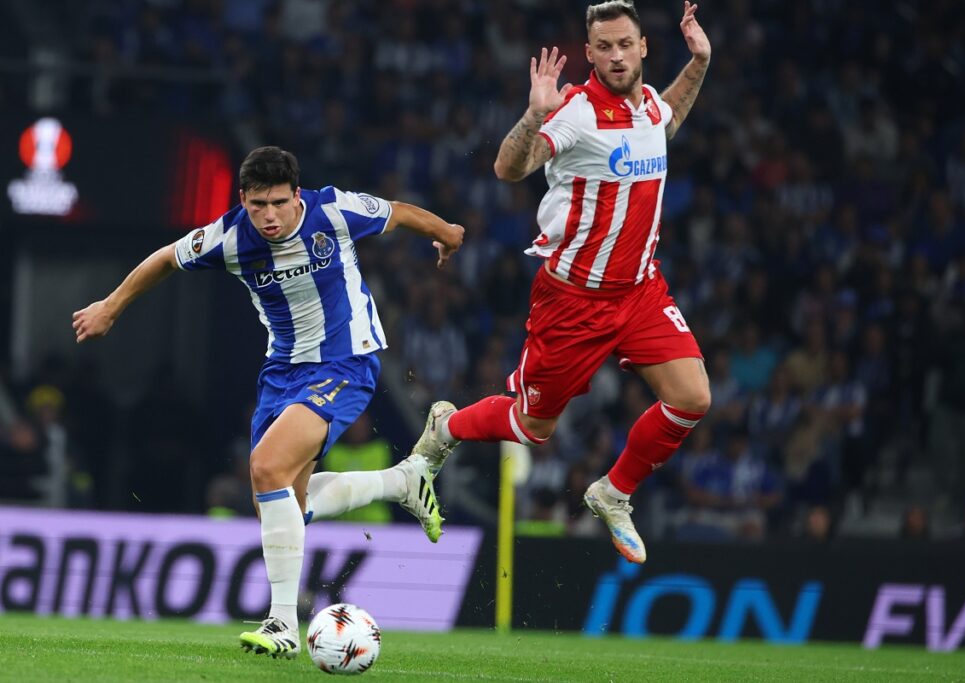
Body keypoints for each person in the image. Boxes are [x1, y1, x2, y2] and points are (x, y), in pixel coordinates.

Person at [72, 146, 463, 659]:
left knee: (265, 465)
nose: (270, 216)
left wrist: (446, 231)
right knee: (278, 505)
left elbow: (399, 211)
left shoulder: (332, 211)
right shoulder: (230, 236)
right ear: (244, 200)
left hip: (345, 362)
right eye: (259, 205)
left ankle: (282, 623)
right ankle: (403, 481)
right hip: (282, 372)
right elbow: (166, 258)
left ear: (296, 196)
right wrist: (111, 305)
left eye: (279, 202)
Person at [411, 0, 712, 564]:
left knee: (693, 397)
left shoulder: (647, 105)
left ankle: (613, 493)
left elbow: (665, 123)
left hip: (642, 291)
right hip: (574, 299)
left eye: (626, 44)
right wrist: (533, 114)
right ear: (590, 53)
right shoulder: (575, 111)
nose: (617, 56)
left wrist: (699, 61)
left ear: (644, 47)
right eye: (605, 47)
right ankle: (446, 426)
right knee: (532, 428)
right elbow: (509, 168)